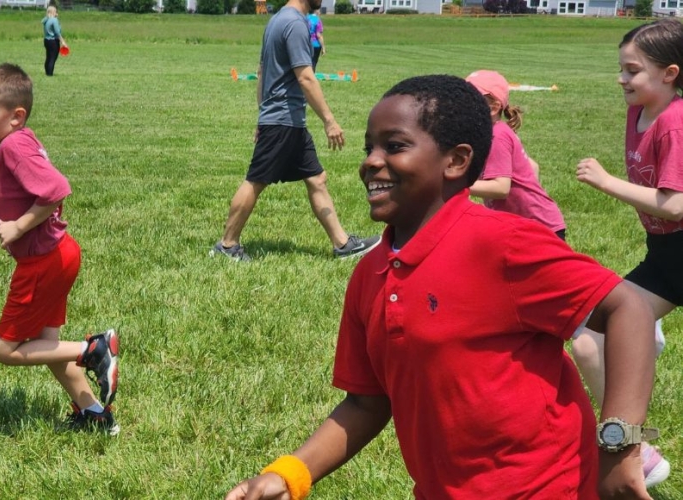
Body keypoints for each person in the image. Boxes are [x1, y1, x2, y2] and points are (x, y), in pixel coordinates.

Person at [226, 74, 658, 500]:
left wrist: (619, 447)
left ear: (456, 161)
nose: (371, 161)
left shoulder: (503, 245)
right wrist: (289, 476)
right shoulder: (370, 273)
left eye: (394, 146)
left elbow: (628, 309)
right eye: (369, 148)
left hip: (549, 487)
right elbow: (365, 404)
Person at [0, 63, 119, 435]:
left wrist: (17, 226)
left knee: (7, 350)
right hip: (60, 254)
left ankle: (93, 350)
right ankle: (95, 414)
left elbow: (55, 188)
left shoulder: (12, 145)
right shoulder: (15, 142)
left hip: (42, 262)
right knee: (48, 347)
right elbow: (21, 173)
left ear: (16, 117)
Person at [571, 18, 683, 489]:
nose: (621, 79)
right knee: (587, 335)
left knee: (594, 332)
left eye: (632, 70)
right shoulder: (639, 112)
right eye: (621, 68)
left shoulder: (676, 123)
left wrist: (607, 182)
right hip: (665, 257)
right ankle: (638, 449)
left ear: (670, 73)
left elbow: (677, 204)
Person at [211, 0, 378, 262]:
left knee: (316, 178)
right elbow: (305, 77)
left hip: (286, 120)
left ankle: (342, 244)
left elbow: (262, 72)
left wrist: (262, 114)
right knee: (256, 180)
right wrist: (329, 120)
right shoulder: (295, 24)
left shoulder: (277, 21)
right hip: (283, 119)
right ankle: (227, 245)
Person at [466, 69, 567, 239]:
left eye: (469, 101)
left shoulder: (497, 136)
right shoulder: (495, 132)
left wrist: (458, 186)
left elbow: (501, 187)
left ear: (493, 107)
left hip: (540, 229)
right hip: (526, 225)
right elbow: (533, 166)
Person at [41, 5, 69, 77]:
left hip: (46, 40)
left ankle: (47, 72)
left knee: (48, 57)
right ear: (53, 12)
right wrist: (63, 41)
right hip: (53, 41)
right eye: (56, 11)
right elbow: (57, 32)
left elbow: (42, 20)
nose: (57, 13)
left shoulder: (46, 20)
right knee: (53, 58)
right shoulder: (54, 20)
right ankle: (50, 74)